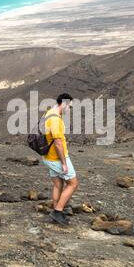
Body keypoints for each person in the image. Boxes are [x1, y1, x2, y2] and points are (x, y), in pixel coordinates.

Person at [42, 93, 79, 225]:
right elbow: (58, 143)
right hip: (56, 158)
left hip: (48, 156)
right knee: (73, 183)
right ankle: (58, 211)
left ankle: (56, 213)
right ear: (64, 104)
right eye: (70, 106)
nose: (70, 109)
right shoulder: (56, 119)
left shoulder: (49, 113)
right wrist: (64, 163)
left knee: (58, 184)